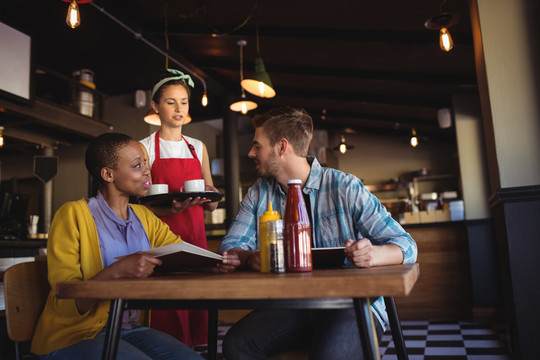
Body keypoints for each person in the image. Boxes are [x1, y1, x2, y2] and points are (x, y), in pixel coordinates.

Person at [217, 107, 418, 360]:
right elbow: (230, 246)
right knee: (237, 345)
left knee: (331, 355)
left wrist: (373, 254)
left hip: (352, 304)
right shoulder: (259, 192)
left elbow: (406, 245)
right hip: (293, 305)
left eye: (257, 146)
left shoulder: (344, 186)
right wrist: (248, 258)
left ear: (281, 147)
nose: (250, 153)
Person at [30, 133, 205, 360]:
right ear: (108, 174)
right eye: (137, 165)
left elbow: (182, 252)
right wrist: (118, 271)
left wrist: (215, 263)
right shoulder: (72, 214)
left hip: (129, 328)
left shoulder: (145, 216)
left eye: (146, 162)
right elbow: (68, 300)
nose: (146, 171)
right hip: (74, 334)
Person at [139, 69, 217, 347]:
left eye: (183, 101)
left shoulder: (198, 147)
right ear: (156, 106)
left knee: (197, 311)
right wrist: (170, 210)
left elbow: (210, 203)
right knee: (168, 314)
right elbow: (137, 207)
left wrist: (212, 196)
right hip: (161, 238)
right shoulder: (144, 148)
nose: (179, 108)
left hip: (196, 238)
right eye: (170, 101)